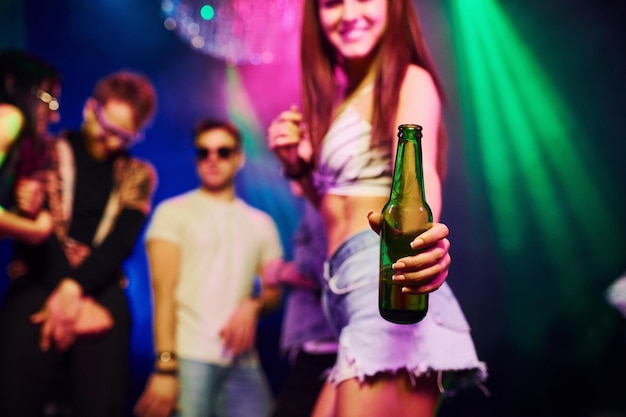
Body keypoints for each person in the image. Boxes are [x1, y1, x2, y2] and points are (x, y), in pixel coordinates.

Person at [267, 1, 487, 416]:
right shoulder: (344, 97)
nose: (349, 13)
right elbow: (336, 212)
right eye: (332, 2)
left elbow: (420, 179)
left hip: (386, 288)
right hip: (348, 298)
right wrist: (296, 168)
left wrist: (423, 247)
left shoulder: (408, 78)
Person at [0, 70, 158, 417]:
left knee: (103, 398)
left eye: (124, 136)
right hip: (40, 273)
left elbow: (121, 243)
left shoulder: (138, 174)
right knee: (14, 393)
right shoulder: (43, 149)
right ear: (90, 109)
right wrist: (68, 294)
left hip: (101, 284)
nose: (112, 141)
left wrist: (77, 288)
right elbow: (35, 230)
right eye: (107, 128)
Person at [133, 119, 283, 417]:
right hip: (190, 359)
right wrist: (165, 367)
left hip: (243, 361)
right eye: (204, 152)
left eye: (223, 152)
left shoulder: (261, 223)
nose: (212, 159)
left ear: (239, 158)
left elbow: (274, 292)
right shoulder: (172, 213)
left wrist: (254, 305)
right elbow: (162, 295)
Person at [264, 182, 338, 417]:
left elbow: (327, 272)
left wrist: (280, 272)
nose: (284, 174)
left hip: (321, 346)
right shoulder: (319, 204)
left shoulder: (321, 205)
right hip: (321, 343)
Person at [0, 49, 58, 244]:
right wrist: (35, 230)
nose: (53, 114)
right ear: (12, 84)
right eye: (47, 97)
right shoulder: (9, 118)